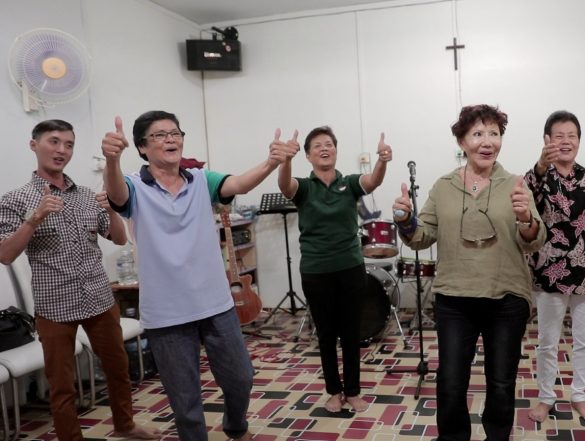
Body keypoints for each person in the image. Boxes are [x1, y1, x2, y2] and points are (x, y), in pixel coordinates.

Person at [101, 111, 299, 440]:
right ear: (141, 148)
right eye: (160, 135)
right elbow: (117, 195)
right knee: (186, 401)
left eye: (175, 133)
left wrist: (270, 163)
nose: (171, 139)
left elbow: (237, 183)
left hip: (215, 303)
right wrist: (111, 160)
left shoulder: (199, 179)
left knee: (241, 377)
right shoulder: (134, 187)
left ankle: (235, 425)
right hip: (166, 313)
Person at [392, 105, 545, 441]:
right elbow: (422, 236)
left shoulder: (516, 183)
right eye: (478, 134)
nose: (487, 141)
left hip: (506, 295)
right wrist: (405, 219)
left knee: (502, 382)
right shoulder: (443, 186)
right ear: (462, 141)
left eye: (494, 133)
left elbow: (533, 240)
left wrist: (525, 219)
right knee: (449, 382)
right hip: (454, 298)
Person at [0, 120, 160, 441]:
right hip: (54, 305)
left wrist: (112, 209)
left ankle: (125, 425)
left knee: (118, 370)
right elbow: (5, 254)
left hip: (99, 299)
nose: (62, 150)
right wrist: (36, 218)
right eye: (54, 142)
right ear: (34, 145)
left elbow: (118, 239)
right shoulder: (14, 200)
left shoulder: (87, 195)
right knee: (62, 386)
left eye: (69, 144)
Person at [277, 126, 392, 413]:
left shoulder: (349, 183)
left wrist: (382, 161)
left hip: (350, 267)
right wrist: (285, 160)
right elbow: (284, 186)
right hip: (316, 270)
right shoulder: (303, 186)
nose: (324, 148)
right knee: (326, 334)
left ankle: (353, 391)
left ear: (336, 150)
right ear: (307, 155)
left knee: (352, 332)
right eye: (317, 146)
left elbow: (373, 182)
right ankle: (333, 391)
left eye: (329, 144)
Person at [524, 110, 585, 422]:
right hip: (550, 268)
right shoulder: (538, 177)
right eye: (559, 136)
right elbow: (529, 193)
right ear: (547, 140)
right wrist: (541, 164)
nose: (566, 142)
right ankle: (546, 397)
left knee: (584, 340)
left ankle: (579, 394)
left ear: (578, 141)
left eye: (572, 136)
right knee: (547, 341)